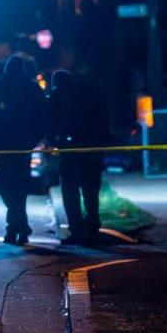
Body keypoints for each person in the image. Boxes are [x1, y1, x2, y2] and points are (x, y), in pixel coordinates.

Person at [0, 56, 46, 245]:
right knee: (19, 188)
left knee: (7, 188)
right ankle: (20, 227)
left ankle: (15, 228)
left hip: (4, 147)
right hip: (23, 147)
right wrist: (33, 141)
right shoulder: (33, 89)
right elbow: (43, 119)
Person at [48, 70, 109, 245]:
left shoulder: (58, 95)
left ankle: (77, 230)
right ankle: (93, 228)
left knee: (70, 192)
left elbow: (52, 122)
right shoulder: (92, 93)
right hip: (93, 151)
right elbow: (103, 119)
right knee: (91, 192)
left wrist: (53, 141)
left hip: (70, 153)